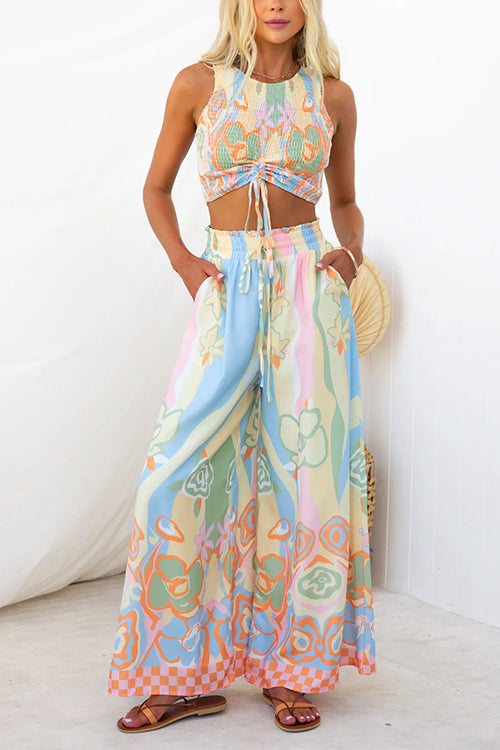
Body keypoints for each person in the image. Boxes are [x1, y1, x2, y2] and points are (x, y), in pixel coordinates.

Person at [108, 0, 376, 734]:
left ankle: (293, 671)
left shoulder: (333, 97)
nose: (277, 4)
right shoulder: (198, 84)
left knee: (306, 482)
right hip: (227, 283)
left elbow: (346, 201)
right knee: (172, 475)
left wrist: (349, 254)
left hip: (307, 286)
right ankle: (177, 676)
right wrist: (185, 263)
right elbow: (156, 188)